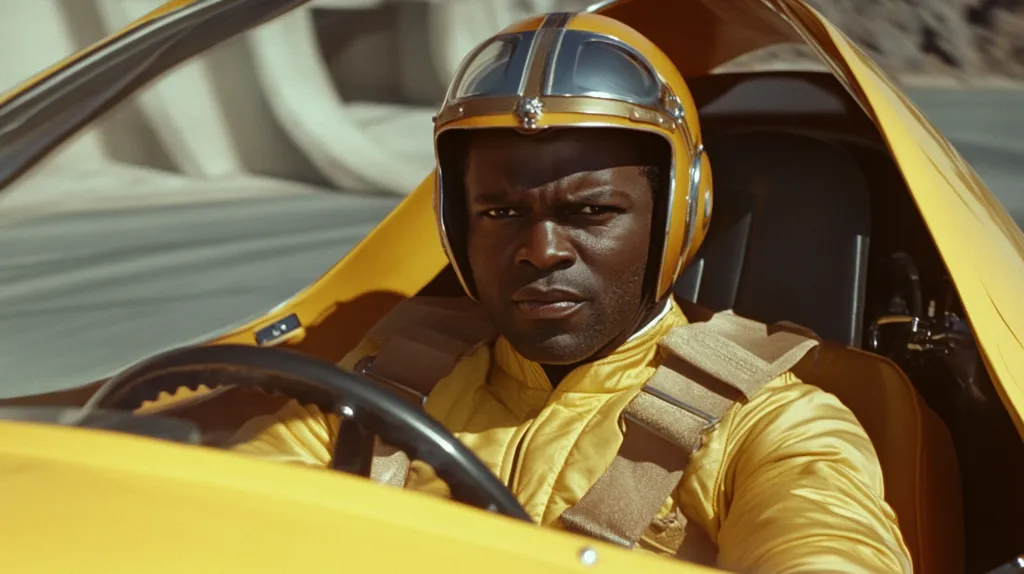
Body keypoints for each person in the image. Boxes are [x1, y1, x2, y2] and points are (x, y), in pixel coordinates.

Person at [229, 11, 913, 572]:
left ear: (677, 219)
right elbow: (223, 509)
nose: (540, 250)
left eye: (590, 213)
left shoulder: (774, 426)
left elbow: (828, 545)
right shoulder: (389, 376)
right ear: (455, 222)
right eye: (499, 213)